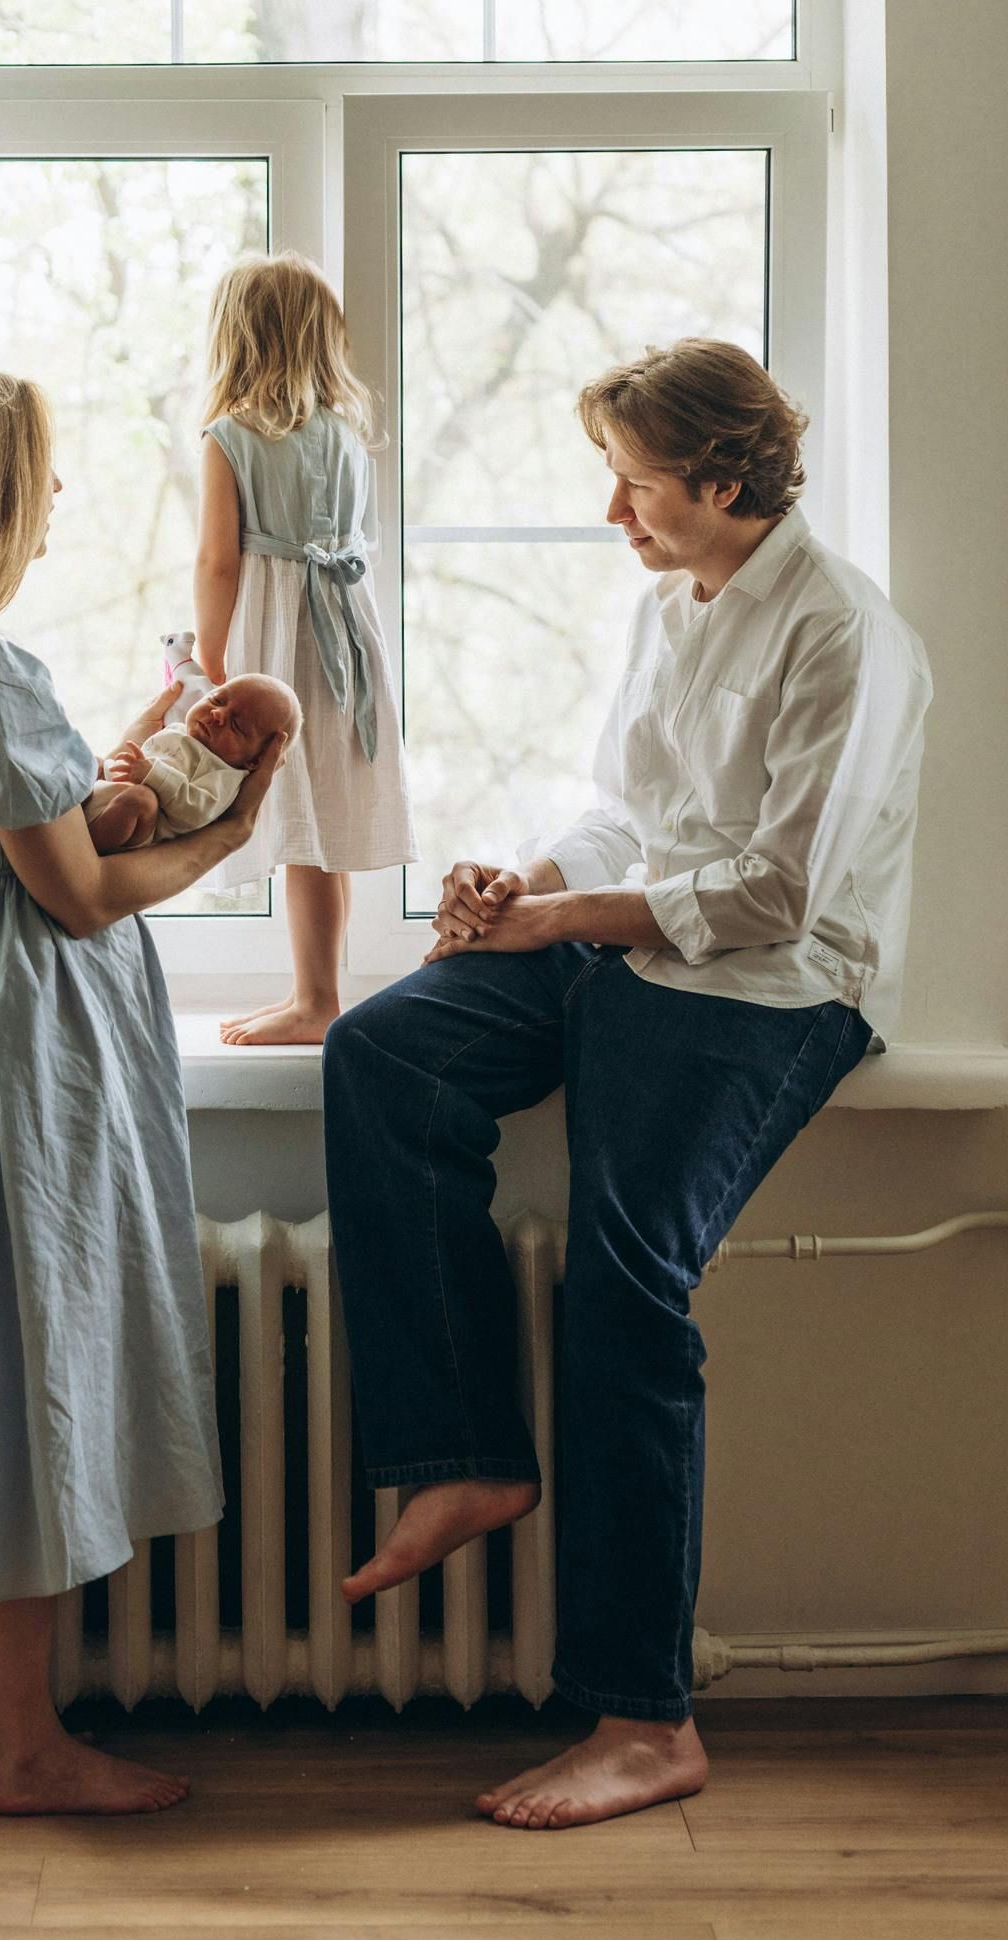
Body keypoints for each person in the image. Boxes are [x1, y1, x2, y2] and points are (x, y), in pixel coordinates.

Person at [322, 338, 932, 1831]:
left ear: (722, 481)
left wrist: (559, 923)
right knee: (382, 1049)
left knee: (621, 1284)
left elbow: (775, 896)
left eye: (634, 484)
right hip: (630, 942)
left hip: (773, 987)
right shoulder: (669, 605)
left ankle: (642, 1721)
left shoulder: (844, 635)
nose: (613, 513)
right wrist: (512, 884)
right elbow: (620, 814)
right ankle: (468, 1458)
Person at [0, 367, 282, 1819]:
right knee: (24, 1360)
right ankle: (29, 1749)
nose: (61, 500)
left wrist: (130, 764)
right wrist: (233, 837)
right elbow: (79, 902)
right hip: (30, 1046)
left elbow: (33, 844)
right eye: (42, 476)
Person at [194, 252, 416, 1046]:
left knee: (298, 821)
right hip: (345, 638)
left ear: (236, 339)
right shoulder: (346, 436)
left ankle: (314, 1002)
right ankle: (316, 993)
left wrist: (209, 665)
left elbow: (219, 560)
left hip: (276, 642)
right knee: (324, 826)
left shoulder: (228, 437)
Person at [85, 673, 302, 853]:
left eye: (236, 725)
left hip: (134, 826)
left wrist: (153, 775)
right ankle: (69, 823)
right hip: (108, 792)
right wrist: (109, 768)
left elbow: (194, 813)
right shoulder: (178, 731)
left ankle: (84, 854)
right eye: (217, 700)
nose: (217, 714)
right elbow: (138, 764)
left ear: (254, 761)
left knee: (142, 799)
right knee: (87, 762)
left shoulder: (225, 774)